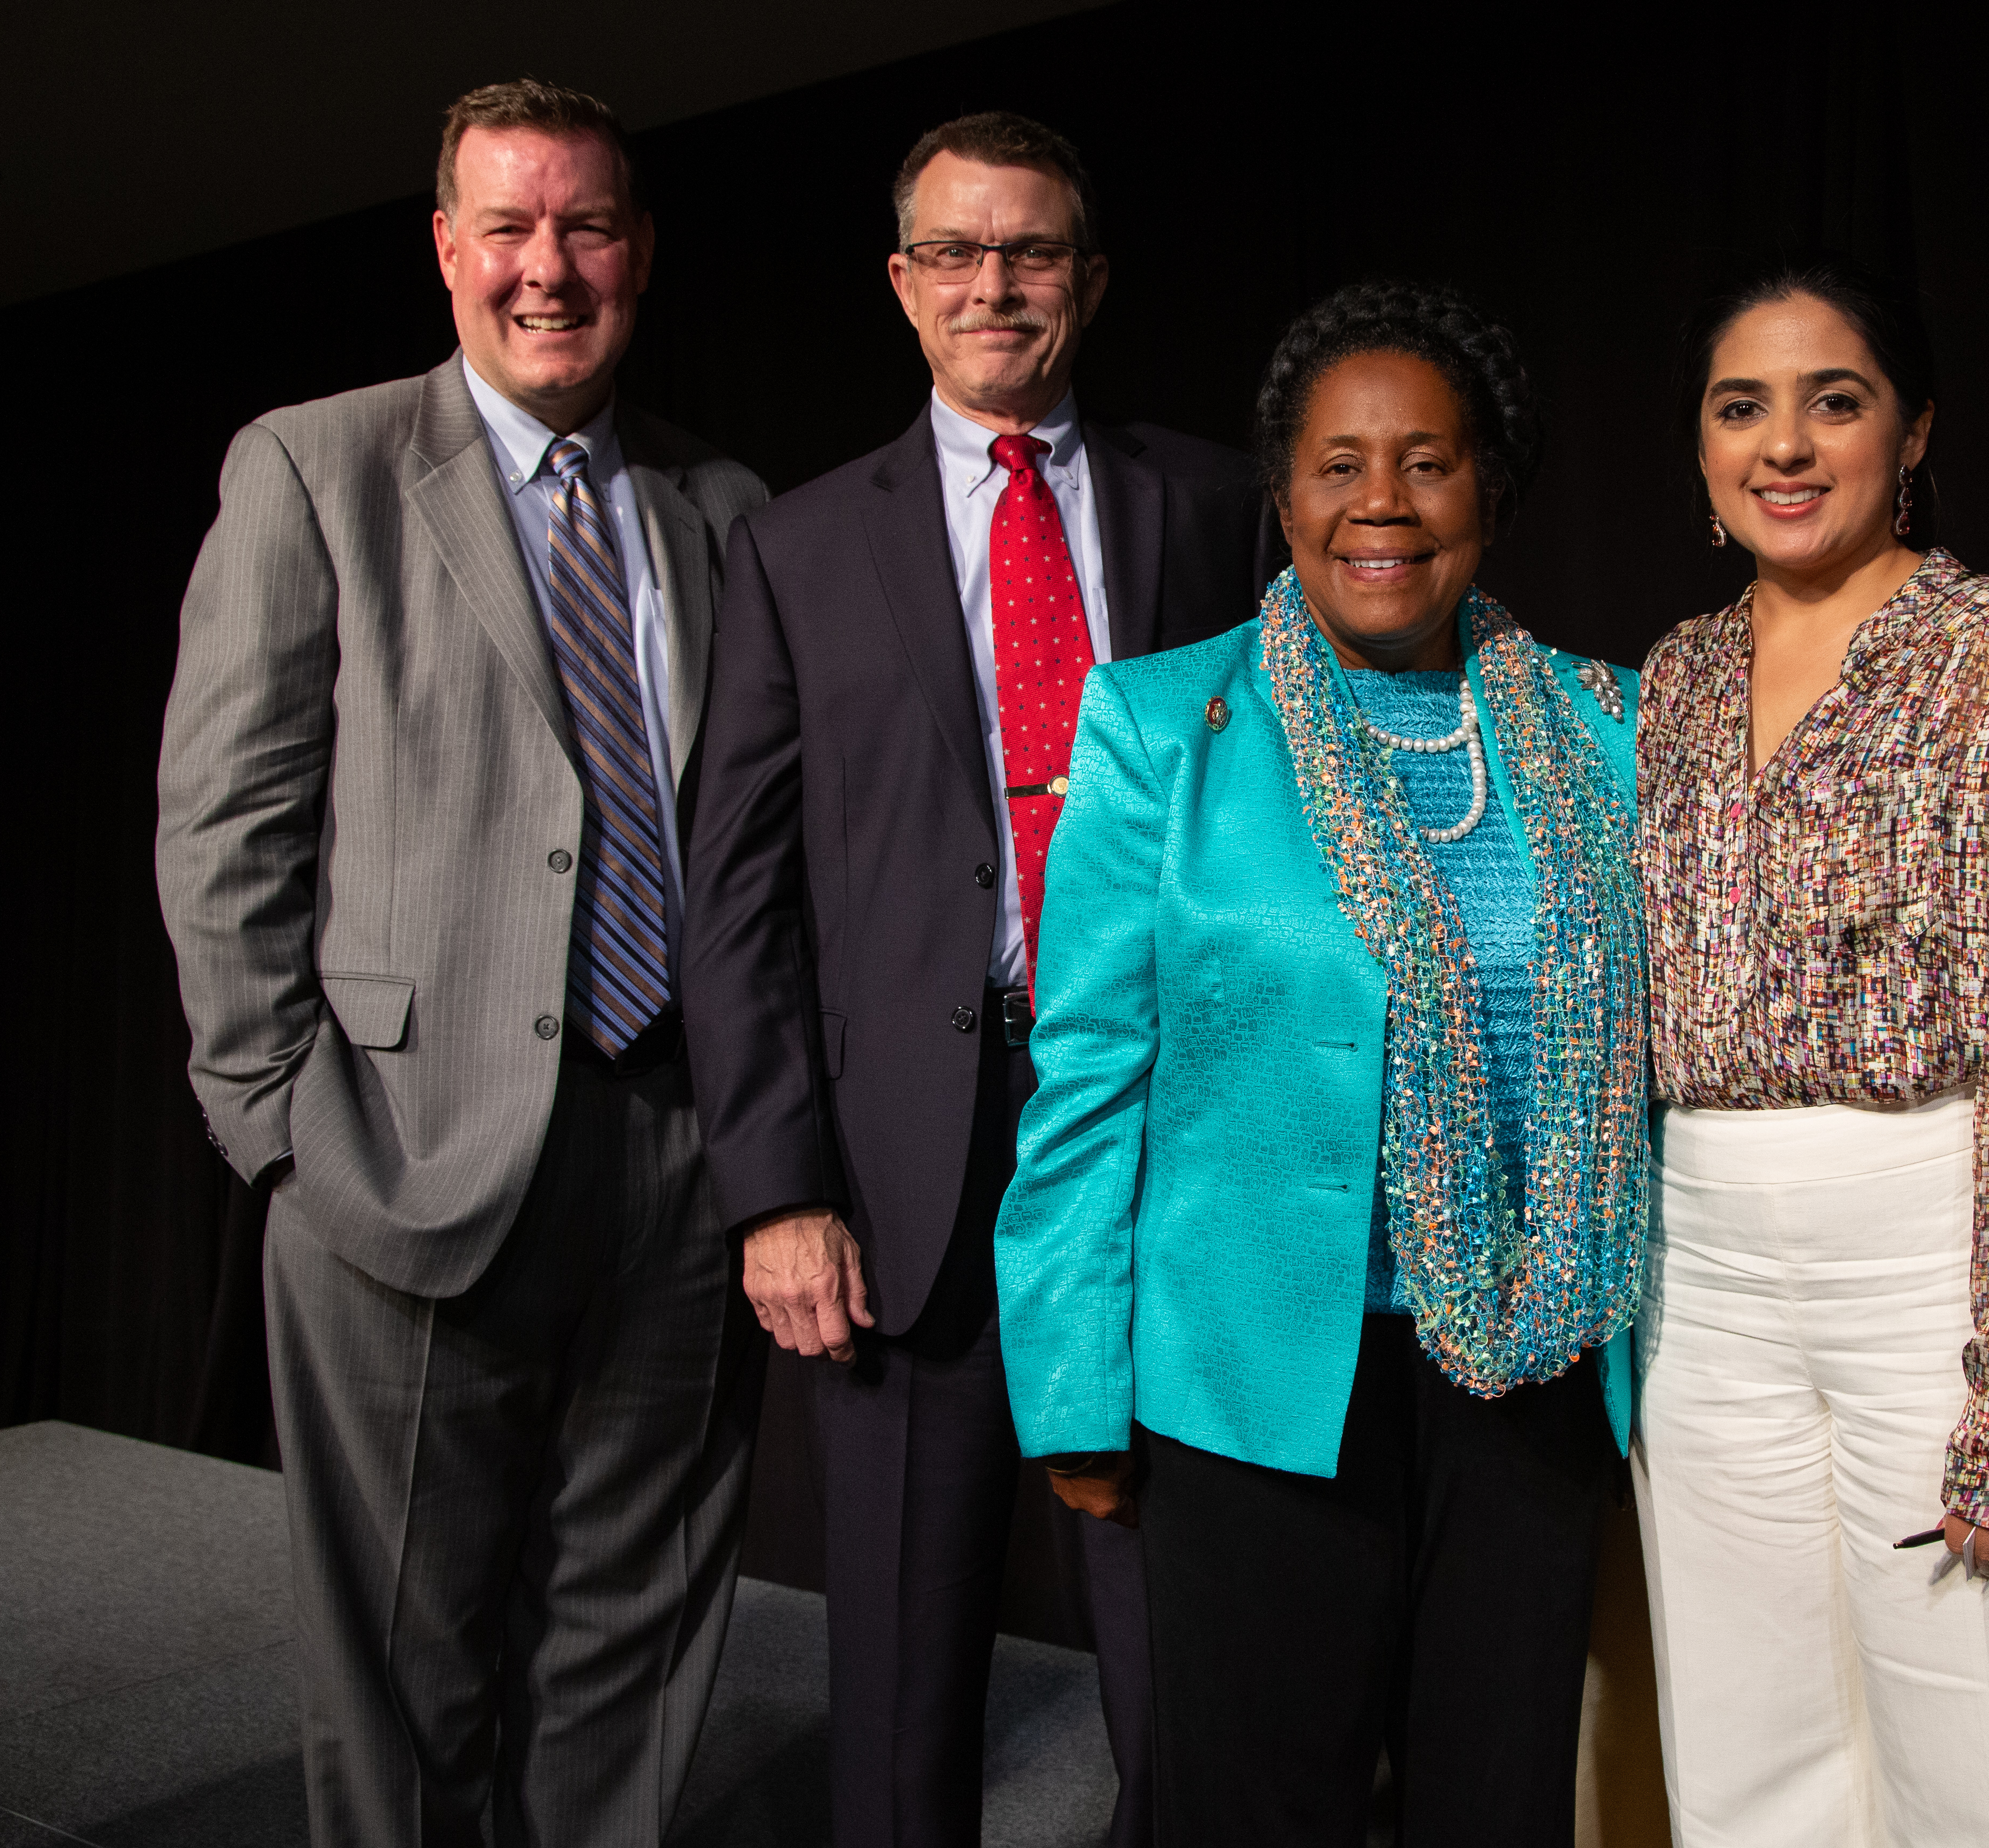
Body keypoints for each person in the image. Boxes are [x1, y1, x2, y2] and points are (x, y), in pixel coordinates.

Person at [154, 80, 769, 1847]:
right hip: (402, 1151)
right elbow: (226, 822)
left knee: (634, 1642)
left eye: (585, 227)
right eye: (509, 227)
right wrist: (276, 1119)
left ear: (638, 253)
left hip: (681, 1155)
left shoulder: (723, 504)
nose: (548, 268)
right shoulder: (316, 465)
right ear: (447, 248)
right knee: (407, 1666)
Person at [677, 112, 1277, 1848]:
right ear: (901, 284)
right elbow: (742, 896)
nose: (993, 285)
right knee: (903, 1678)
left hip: (1159, 1135)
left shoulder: (1214, 509)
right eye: (956, 252)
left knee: (1181, 1644)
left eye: (1030, 252)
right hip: (898, 1164)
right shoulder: (794, 549)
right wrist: (776, 1189)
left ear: (1085, 282)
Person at [992, 281, 1650, 1847]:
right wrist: (1073, 1385)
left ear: (1491, 485)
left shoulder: (1610, 730)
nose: (1383, 503)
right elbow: (1089, 1071)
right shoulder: (1166, 725)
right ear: (1282, 492)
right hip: (1258, 1385)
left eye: (1429, 461)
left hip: (1536, 1376)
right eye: (1339, 462)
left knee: (1495, 1802)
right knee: (1254, 1806)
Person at [1631, 257, 1989, 1847]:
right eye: (1742, 406)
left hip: (1929, 1255)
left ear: (1911, 434)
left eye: (1833, 402)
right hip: (1699, 1283)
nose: (1786, 444)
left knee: (1976, 1756)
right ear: (1703, 450)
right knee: (1742, 1751)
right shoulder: (1675, 680)